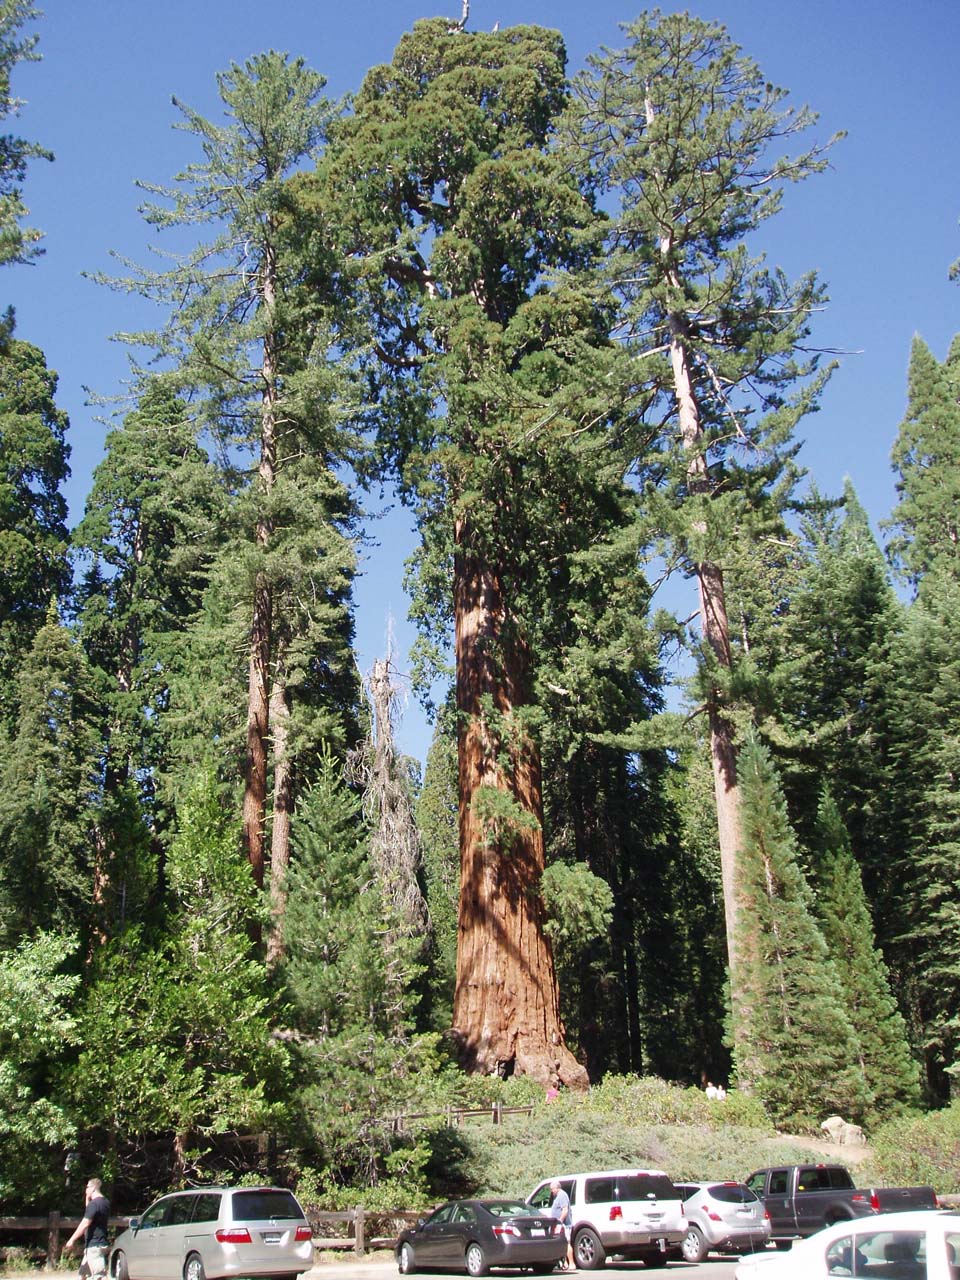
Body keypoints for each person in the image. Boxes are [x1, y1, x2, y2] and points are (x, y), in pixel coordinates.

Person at [64, 1177, 111, 1280]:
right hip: (99, 1243)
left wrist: (72, 1240)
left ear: (93, 1188)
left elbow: (85, 1223)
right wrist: (87, 1198)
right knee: (82, 1275)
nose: (86, 1189)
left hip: (94, 1246)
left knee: (99, 1277)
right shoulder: (105, 1202)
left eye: (87, 1187)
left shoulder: (94, 1204)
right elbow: (89, 1212)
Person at [548, 1179, 575, 1271]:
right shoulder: (557, 1196)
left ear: (557, 1188)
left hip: (564, 1224)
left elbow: (565, 1210)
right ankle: (565, 1264)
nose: (551, 1191)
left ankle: (571, 1263)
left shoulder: (562, 1195)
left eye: (552, 1189)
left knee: (566, 1243)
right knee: (561, 1244)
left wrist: (560, 1221)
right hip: (559, 1224)